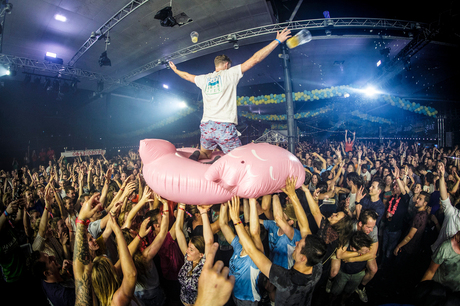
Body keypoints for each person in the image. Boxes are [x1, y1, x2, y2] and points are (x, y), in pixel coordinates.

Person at [169, 28, 291, 162]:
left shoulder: (203, 79)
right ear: (227, 65)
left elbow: (186, 76)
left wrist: (175, 70)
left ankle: (200, 155)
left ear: (216, 66)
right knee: (238, 159)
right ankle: (220, 162)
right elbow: (256, 59)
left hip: (206, 126)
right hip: (224, 126)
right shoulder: (230, 73)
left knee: (204, 152)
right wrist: (277, 41)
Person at [228, 195, 326, 306]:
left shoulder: (286, 281)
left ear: (303, 258)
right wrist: (292, 194)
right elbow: (304, 227)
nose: (296, 242)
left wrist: (236, 220)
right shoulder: (316, 267)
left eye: (298, 246)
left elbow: (252, 251)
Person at [175, 203, 214, 306]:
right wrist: (181, 206)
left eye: (191, 249)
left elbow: (209, 241)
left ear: (201, 254)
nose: (187, 251)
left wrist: (203, 213)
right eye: (188, 247)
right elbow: (178, 231)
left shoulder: (204, 265)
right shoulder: (188, 259)